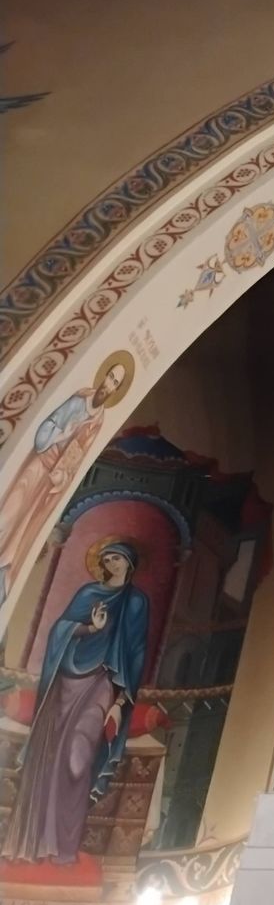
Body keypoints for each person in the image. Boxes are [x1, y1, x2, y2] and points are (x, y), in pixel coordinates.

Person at [2, 541, 148, 864]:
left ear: (129, 563)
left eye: (118, 558)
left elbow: (136, 653)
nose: (112, 563)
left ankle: (64, 846)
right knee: (52, 756)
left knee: (78, 759)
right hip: (67, 680)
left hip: (103, 683)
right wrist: (90, 627)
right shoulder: (88, 593)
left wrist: (121, 702)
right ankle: (42, 843)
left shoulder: (136, 602)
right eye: (107, 559)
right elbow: (59, 631)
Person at [0, 353, 133, 612]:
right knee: (8, 514)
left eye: (115, 383)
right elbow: (43, 436)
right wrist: (61, 435)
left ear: (116, 390)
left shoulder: (98, 421)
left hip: (52, 482)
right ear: (103, 376)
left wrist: (62, 477)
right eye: (110, 377)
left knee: (24, 530)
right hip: (39, 466)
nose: (108, 385)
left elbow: (77, 458)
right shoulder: (79, 401)